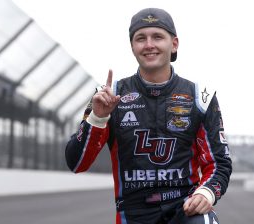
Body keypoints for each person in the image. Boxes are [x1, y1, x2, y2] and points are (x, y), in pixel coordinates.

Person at [65, 7, 232, 224]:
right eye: (140, 38)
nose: (149, 45)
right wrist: (98, 118)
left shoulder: (201, 98)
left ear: (174, 44)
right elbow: (76, 163)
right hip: (133, 214)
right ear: (132, 46)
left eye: (158, 37)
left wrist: (206, 193)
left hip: (185, 209)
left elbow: (219, 162)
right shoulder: (108, 95)